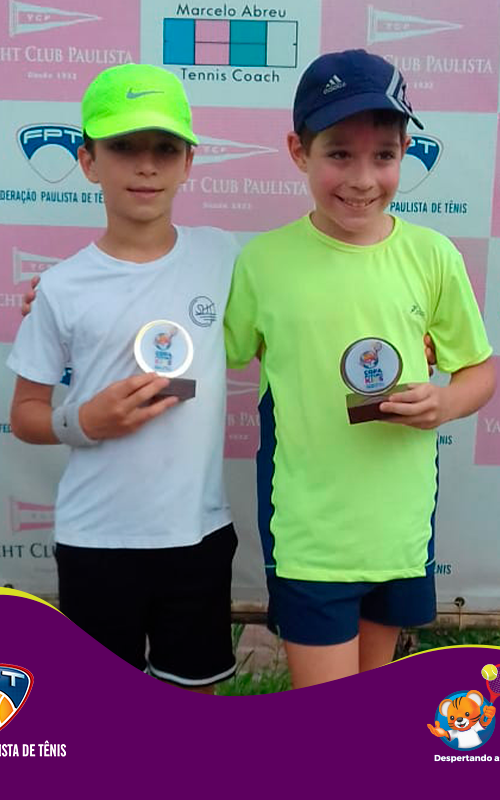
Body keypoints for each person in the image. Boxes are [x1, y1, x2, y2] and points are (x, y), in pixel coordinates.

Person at [223, 49, 496, 690]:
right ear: (299, 151)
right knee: (328, 720)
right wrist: (82, 303)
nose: (363, 178)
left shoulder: (433, 255)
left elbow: (480, 371)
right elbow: (208, 349)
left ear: (406, 153)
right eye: (340, 154)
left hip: (399, 533)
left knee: (372, 710)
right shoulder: (263, 262)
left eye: (384, 156)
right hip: (310, 536)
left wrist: (444, 403)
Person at [7, 63, 240, 692]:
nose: (146, 166)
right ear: (88, 162)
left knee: (189, 704)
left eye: (165, 149)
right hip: (96, 541)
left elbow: (302, 311)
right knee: (100, 714)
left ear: (188, 163)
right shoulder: (61, 287)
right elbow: (24, 415)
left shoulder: (224, 256)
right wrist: (85, 421)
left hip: (197, 535)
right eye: (124, 147)